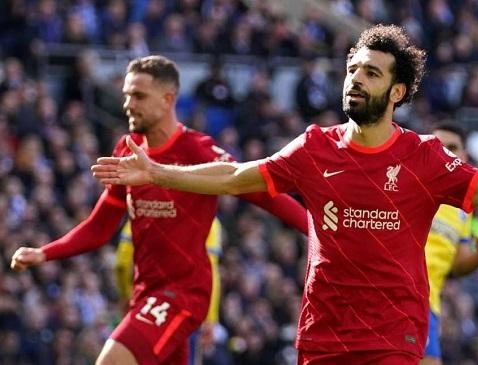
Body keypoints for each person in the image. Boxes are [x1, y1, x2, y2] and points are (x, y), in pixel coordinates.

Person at [91, 25, 478, 364]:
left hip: (393, 335)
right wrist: (159, 173)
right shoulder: (314, 148)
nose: (355, 79)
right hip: (323, 331)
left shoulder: (425, 158)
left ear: (398, 91)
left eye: (372, 74)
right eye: (353, 69)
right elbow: (237, 176)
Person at [11, 55, 308, 365]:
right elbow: (100, 226)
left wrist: (318, 232)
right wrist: (45, 253)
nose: (128, 104)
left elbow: (262, 193)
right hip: (145, 293)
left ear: (168, 99)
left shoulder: (197, 150)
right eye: (126, 94)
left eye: (138, 96)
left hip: (183, 294)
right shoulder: (128, 150)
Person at [421, 122, 478, 365]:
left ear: (464, 156)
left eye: (452, 148)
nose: (444, 153)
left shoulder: (463, 209)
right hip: (394, 297)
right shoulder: (407, 187)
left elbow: (458, 265)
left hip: (429, 303)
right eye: (437, 146)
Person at [113, 218, 224, 365]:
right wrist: (210, 318)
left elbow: (121, 264)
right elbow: (210, 271)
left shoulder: (142, 207)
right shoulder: (207, 218)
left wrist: (126, 296)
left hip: (145, 306)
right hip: (184, 308)